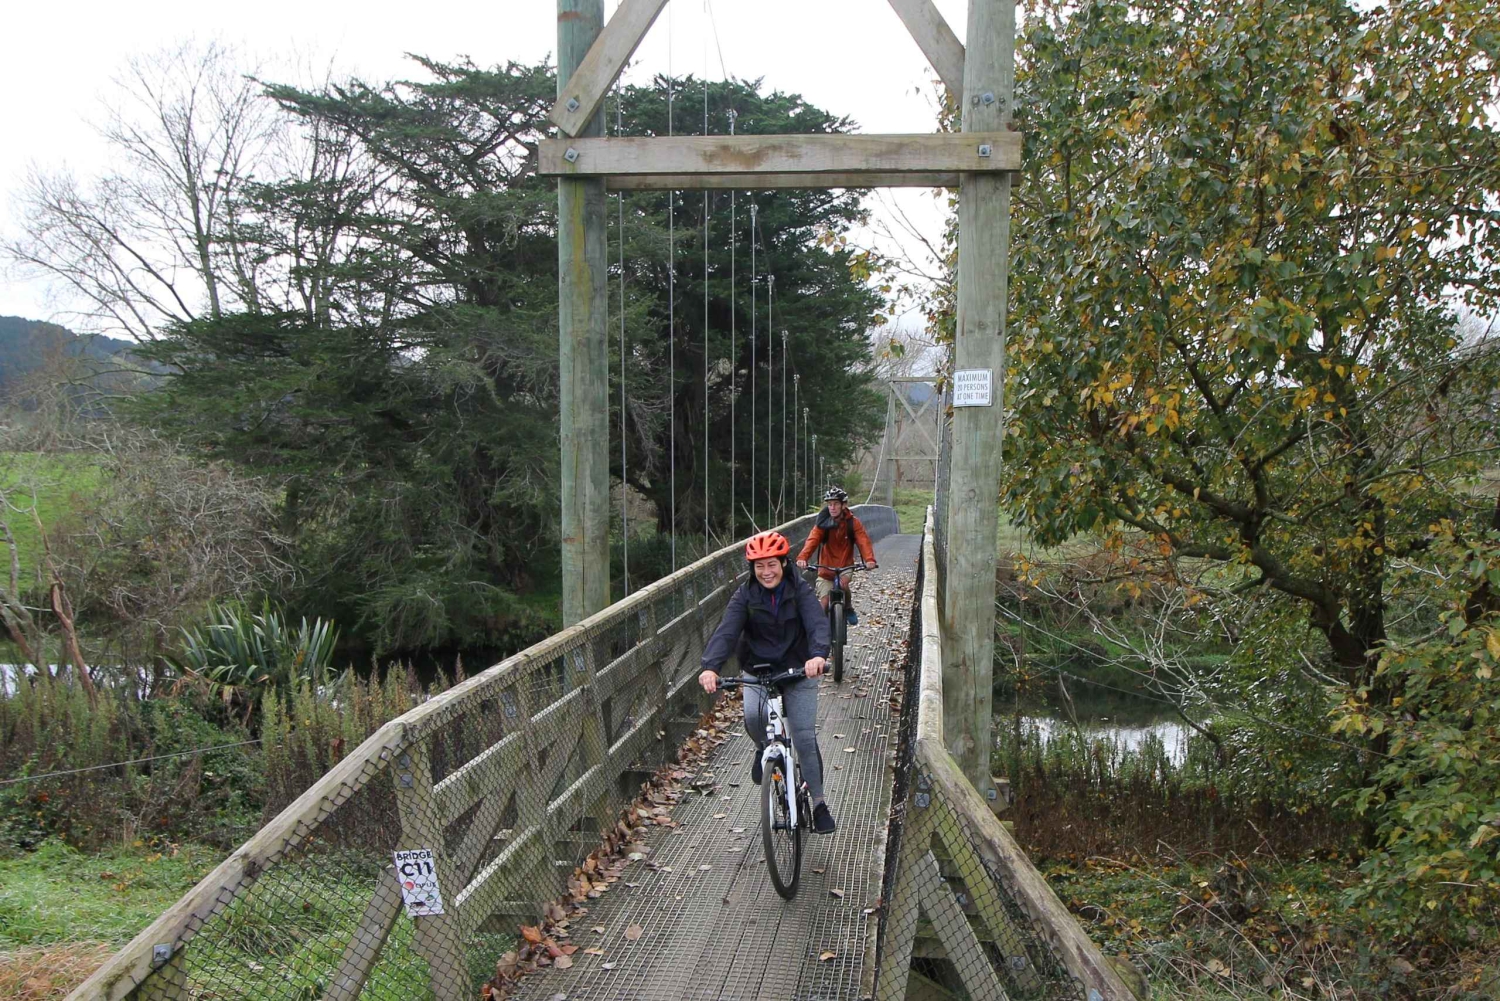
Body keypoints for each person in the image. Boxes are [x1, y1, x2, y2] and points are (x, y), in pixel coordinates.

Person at [698, 530, 838, 834]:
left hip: (799, 668)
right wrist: (710, 666)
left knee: (802, 737)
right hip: (758, 668)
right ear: (752, 569)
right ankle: (763, 748)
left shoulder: (799, 590)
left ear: (784, 564)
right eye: (759, 566)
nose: (766, 572)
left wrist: (817, 656)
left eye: (771, 564)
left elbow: (816, 622)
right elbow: (727, 630)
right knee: (752, 716)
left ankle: (819, 804)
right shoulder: (745, 595)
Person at [796, 487, 877, 625]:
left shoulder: (853, 522)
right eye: (829, 504)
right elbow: (813, 540)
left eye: (836, 504)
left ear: (843, 505)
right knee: (824, 603)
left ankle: (849, 607)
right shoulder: (823, 523)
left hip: (845, 565)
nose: (832, 508)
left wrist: (869, 560)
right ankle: (822, 635)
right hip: (825, 567)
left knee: (843, 584)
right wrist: (803, 558)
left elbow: (863, 541)